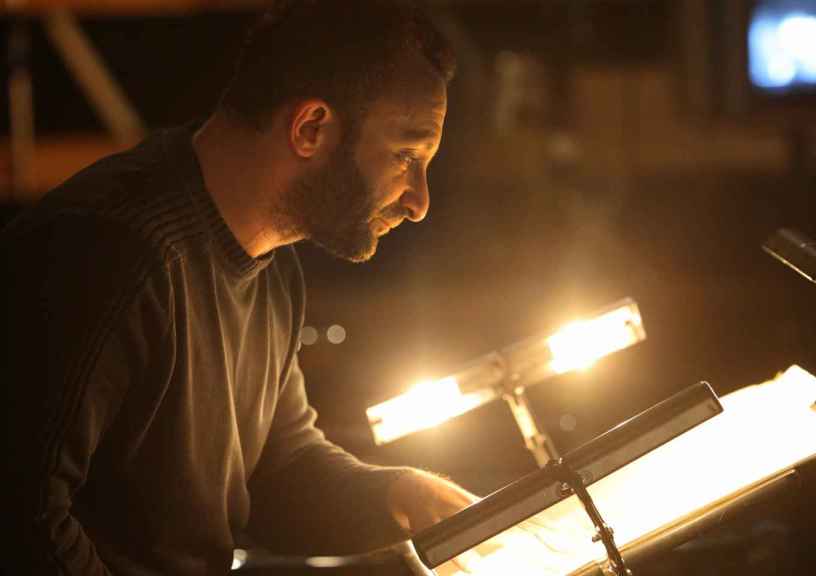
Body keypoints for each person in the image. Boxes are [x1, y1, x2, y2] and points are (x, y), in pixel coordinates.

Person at [2, 2, 477, 574]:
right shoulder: (114, 252)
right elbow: (22, 516)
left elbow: (278, 468)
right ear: (311, 128)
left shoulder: (272, 264)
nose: (419, 202)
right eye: (406, 156)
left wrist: (405, 496)